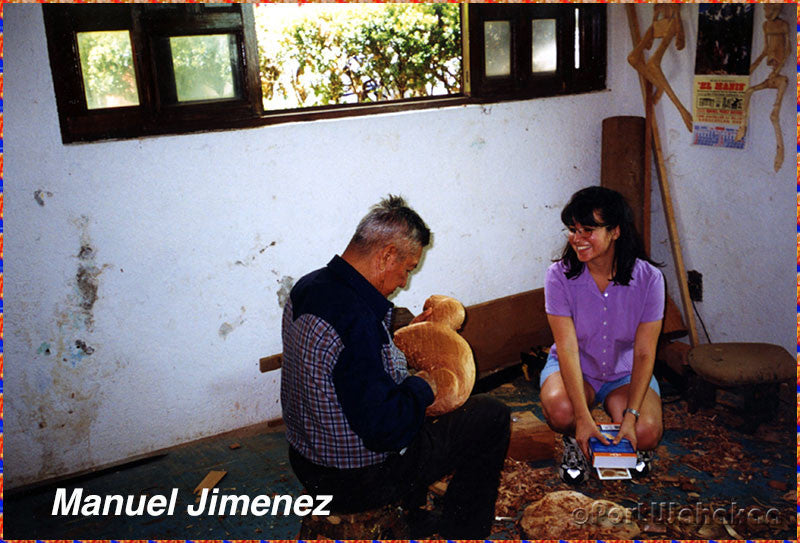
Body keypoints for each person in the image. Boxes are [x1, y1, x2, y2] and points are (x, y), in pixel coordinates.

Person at [280, 195, 510, 538]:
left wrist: (410, 333)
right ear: (387, 254)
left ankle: (410, 514)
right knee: (490, 416)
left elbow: (347, 364)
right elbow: (387, 429)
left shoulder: (310, 286)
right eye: (407, 268)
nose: (404, 281)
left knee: (409, 400)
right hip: (357, 480)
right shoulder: (356, 321)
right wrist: (426, 384)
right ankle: (463, 529)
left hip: (307, 462)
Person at [539, 186, 665, 484]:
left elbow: (646, 352)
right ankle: (574, 440)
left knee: (646, 432)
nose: (577, 238)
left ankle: (629, 437)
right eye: (573, 229)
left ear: (616, 232)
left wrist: (631, 418)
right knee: (562, 411)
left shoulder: (649, 279)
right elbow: (567, 348)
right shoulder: (559, 276)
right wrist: (582, 419)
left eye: (588, 230)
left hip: (625, 372)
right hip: (576, 368)